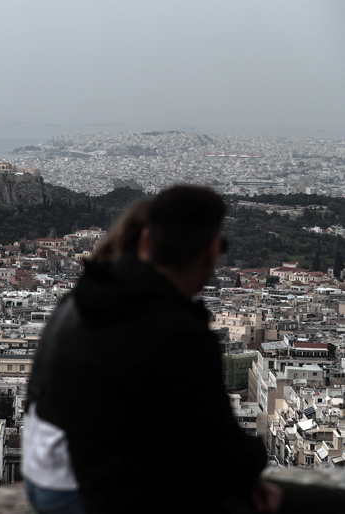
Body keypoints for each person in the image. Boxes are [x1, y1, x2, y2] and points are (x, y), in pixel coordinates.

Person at [29, 185, 279, 513]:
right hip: (83, 492)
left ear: (145, 241)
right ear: (210, 253)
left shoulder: (88, 294)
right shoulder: (172, 329)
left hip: (46, 476)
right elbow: (220, 453)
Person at [22, 197, 152, 514]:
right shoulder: (138, 308)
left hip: (41, 473)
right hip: (75, 484)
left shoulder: (83, 295)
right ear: (146, 243)